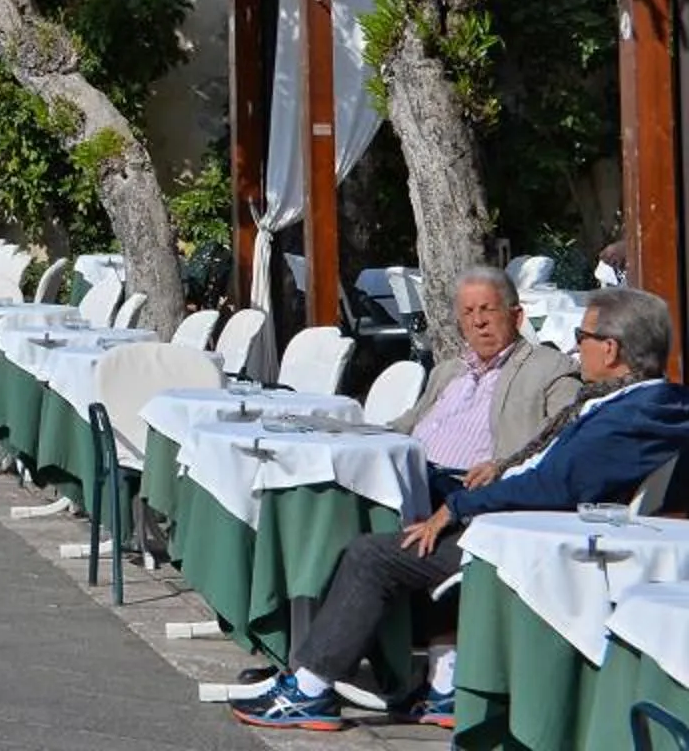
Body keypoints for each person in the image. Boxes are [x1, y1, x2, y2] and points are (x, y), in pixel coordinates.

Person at [235, 286, 689, 731]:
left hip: (528, 545)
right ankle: (445, 684)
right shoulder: (634, 403)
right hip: (519, 522)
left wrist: (458, 506)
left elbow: (553, 487)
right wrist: (479, 484)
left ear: (610, 349)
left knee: (372, 556)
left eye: (582, 337)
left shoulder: (634, 416)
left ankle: (309, 689)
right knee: (415, 523)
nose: (575, 347)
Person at [386, 268, 579, 500]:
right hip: (406, 476)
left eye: (488, 309)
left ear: (516, 317)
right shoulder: (446, 371)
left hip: (464, 492)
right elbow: (409, 421)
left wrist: (504, 465)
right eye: (468, 312)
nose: (478, 321)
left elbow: (570, 438)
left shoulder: (552, 368)